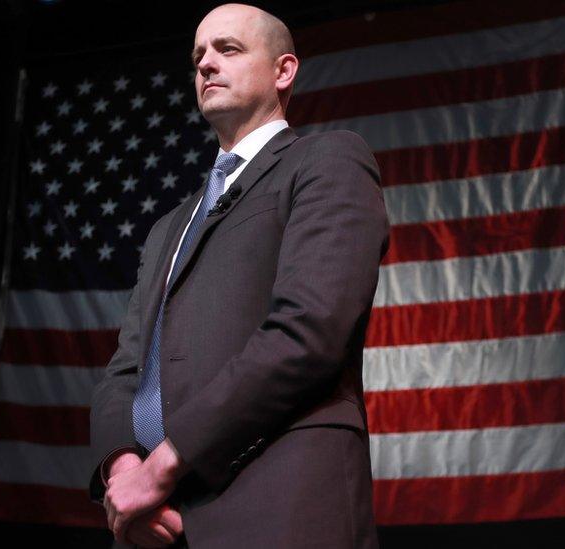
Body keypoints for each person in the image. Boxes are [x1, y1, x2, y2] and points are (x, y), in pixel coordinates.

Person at [88, 3, 389, 547]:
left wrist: (164, 466)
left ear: (283, 71)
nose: (205, 64)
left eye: (227, 49)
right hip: (153, 524)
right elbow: (125, 369)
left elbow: (308, 333)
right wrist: (122, 471)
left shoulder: (327, 161)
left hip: (276, 507)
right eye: (198, 54)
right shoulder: (168, 227)